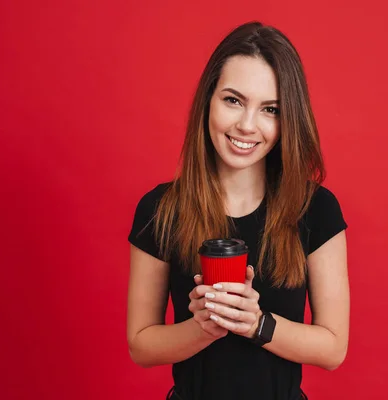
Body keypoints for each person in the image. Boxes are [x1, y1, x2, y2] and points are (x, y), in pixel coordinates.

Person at [127, 21, 349, 400]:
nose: (247, 125)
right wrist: (204, 326)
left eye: (270, 109)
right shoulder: (160, 209)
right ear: (208, 100)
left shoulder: (315, 209)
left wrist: (256, 324)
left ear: (287, 119)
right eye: (233, 100)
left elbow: (333, 348)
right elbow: (141, 344)